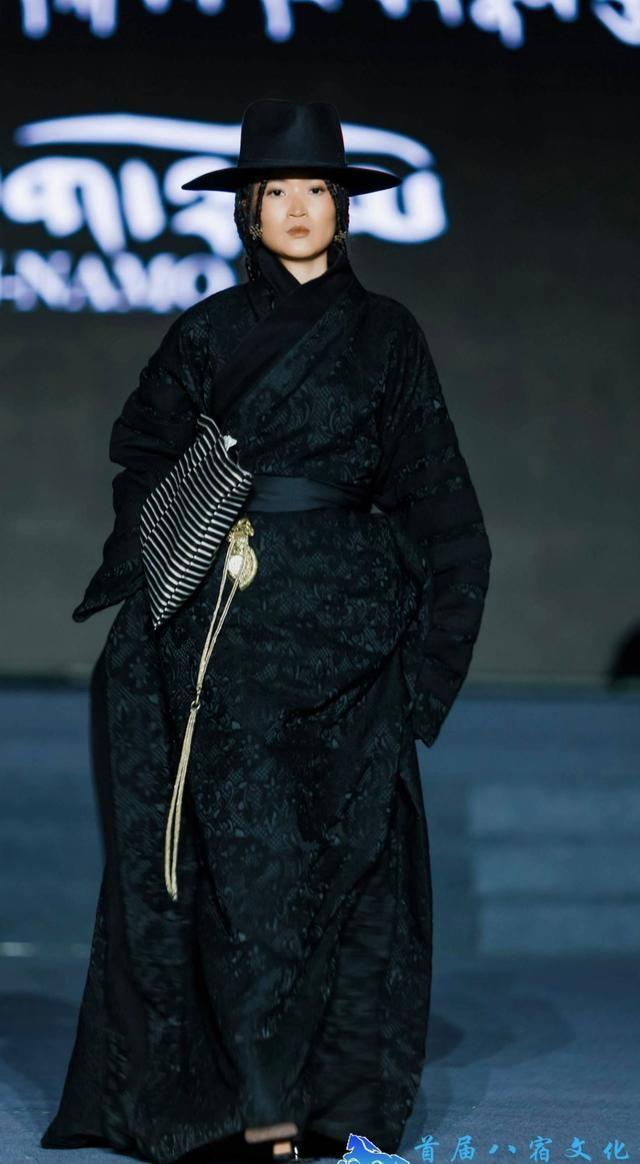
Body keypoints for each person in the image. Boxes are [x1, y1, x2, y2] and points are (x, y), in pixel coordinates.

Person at [40, 98, 492, 1164]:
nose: (296, 207)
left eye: (316, 189)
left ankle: (319, 1099)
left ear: (343, 208)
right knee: (246, 871)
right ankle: (257, 1104)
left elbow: (437, 497)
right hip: (227, 641)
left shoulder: (388, 336)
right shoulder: (206, 332)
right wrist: (178, 565)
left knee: (345, 871)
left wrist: (426, 670)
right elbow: (143, 455)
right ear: (249, 209)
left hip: (355, 645)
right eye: (276, 190)